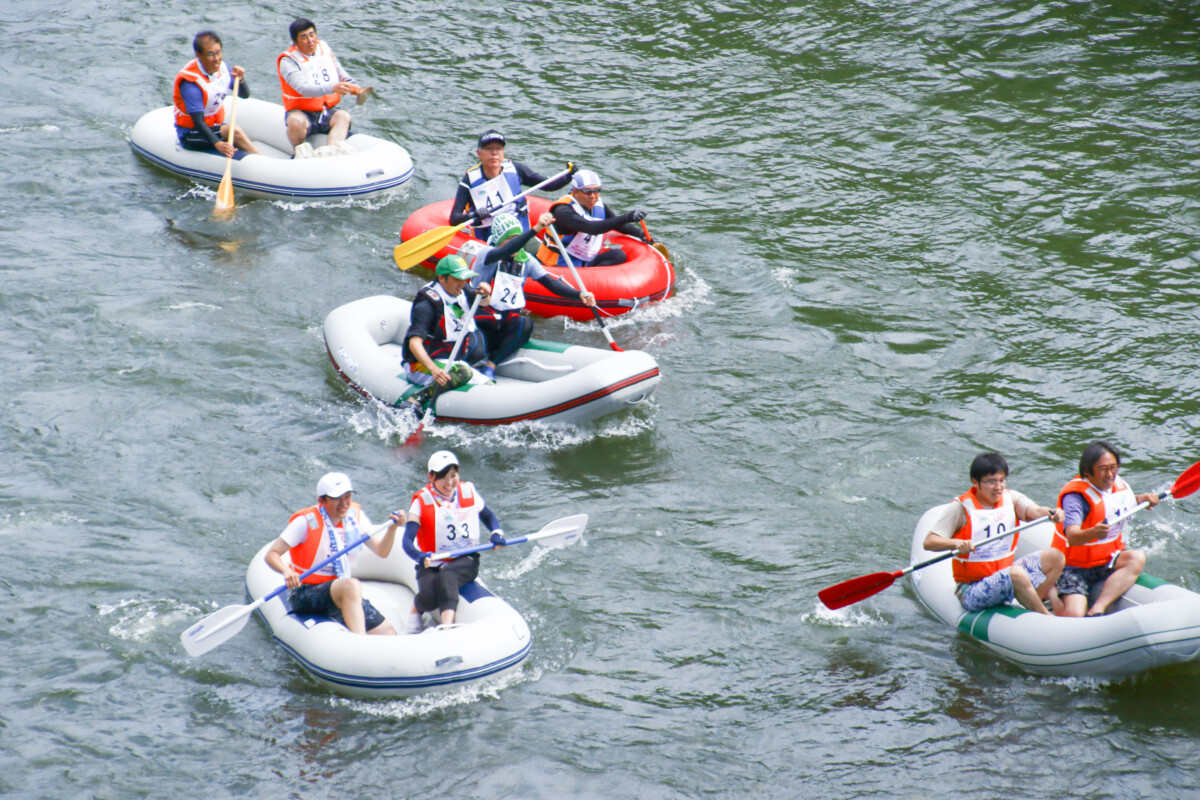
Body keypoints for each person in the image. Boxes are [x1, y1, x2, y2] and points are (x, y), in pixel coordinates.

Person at [922, 453, 1065, 615]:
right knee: (1016, 574)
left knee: (1056, 557)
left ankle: (1032, 600)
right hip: (972, 589)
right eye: (991, 482)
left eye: (1002, 480)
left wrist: (1052, 513)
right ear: (975, 482)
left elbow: (1036, 511)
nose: (998, 487)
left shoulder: (1011, 498)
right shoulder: (961, 508)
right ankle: (1045, 616)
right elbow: (929, 542)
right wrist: (956, 543)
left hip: (1005, 576)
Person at [264, 472, 404, 635]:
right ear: (322, 501)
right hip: (306, 591)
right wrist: (286, 571)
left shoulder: (354, 516)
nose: (344, 503)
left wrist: (392, 529)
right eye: (337, 498)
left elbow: (382, 551)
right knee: (351, 585)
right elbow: (272, 554)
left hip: (339, 590)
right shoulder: (305, 522)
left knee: (388, 632)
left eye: (347, 497)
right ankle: (360, 642)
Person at [469, 211, 596, 377]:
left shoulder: (527, 260)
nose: (515, 244)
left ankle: (491, 365)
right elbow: (507, 250)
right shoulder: (487, 254)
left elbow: (551, 284)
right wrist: (536, 229)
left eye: (517, 238)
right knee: (476, 352)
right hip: (480, 319)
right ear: (500, 240)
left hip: (505, 321)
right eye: (509, 239)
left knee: (526, 324)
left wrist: (579, 295)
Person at [401, 451, 506, 633]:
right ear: (431, 477)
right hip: (432, 561)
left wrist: (496, 533)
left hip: (465, 558)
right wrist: (419, 556)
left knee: (447, 576)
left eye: (453, 476)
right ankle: (415, 610)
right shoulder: (421, 501)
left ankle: (446, 628)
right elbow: (407, 541)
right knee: (429, 597)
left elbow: (488, 516)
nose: (449, 483)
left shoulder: (468, 491)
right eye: (442, 477)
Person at [1053, 441, 1159, 617]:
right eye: (1103, 469)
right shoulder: (1075, 498)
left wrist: (1142, 499)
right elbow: (1072, 536)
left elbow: (1116, 503)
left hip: (1106, 560)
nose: (1110, 474)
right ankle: (1051, 592)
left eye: (1113, 467)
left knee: (1136, 557)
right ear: (1087, 471)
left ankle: (1098, 608)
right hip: (1073, 567)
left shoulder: (1116, 486)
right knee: (1074, 614)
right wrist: (1093, 533)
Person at [449, 128, 575, 241]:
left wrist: (569, 175)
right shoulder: (470, 180)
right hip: (490, 242)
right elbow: (454, 219)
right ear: (479, 153)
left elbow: (549, 185)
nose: (494, 153)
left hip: (519, 235)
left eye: (498, 148)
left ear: (503, 152)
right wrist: (474, 214)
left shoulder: (515, 169)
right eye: (488, 148)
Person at [401, 254, 492, 393]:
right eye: (456, 279)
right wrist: (433, 369)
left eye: (464, 279)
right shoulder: (426, 305)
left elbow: (484, 303)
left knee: (488, 384)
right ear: (442, 278)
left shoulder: (460, 289)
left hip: (450, 361)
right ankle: (419, 398)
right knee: (463, 372)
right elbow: (414, 343)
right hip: (420, 366)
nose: (461, 283)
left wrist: (485, 294)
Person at [277, 18, 366, 157]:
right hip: (302, 112)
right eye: (304, 37)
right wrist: (333, 88)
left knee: (343, 116)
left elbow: (338, 70)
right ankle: (299, 152)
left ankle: (333, 152)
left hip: (326, 110)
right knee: (295, 122)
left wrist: (351, 83)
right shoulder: (288, 61)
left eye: (312, 35)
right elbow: (303, 89)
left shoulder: (323, 49)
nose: (310, 41)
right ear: (295, 41)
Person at [173, 31, 261, 156]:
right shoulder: (190, 83)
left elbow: (244, 95)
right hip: (191, 134)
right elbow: (198, 122)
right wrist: (216, 143)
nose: (216, 59)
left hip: (213, 125)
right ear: (199, 55)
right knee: (233, 131)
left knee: (235, 135)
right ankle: (265, 162)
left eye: (218, 53)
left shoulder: (223, 69)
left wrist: (240, 79)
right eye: (210, 54)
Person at [540, 169, 649, 267]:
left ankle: (593, 278)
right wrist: (627, 217)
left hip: (584, 260)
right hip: (559, 264)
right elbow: (591, 228)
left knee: (618, 255)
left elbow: (617, 224)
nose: (593, 196)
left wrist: (641, 234)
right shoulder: (563, 211)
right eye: (587, 192)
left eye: (596, 191)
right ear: (575, 192)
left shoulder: (597, 205)